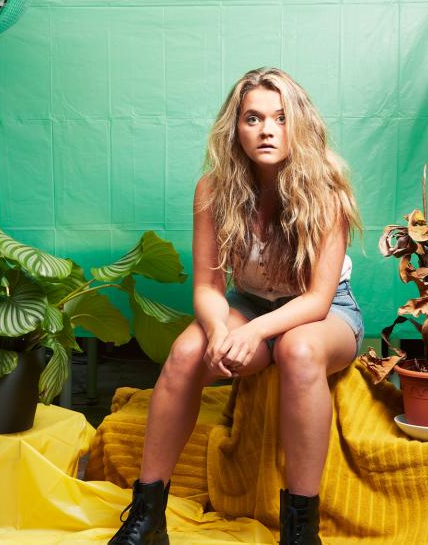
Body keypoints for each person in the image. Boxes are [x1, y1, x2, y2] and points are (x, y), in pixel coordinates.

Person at [108, 67, 365, 545]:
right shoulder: (213, 189)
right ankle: (147, 518)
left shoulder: (327, 192)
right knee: (185, 353)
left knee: (299, 352)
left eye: (280, 118)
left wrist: (253, 334)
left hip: (321, 312)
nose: (267, 130)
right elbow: (208, 288)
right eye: (253, 118)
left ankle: (300, 532)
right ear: (236, 127)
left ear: (300, 125)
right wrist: (221, 330)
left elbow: (317, 298)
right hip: (246, 302)